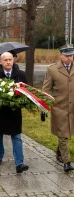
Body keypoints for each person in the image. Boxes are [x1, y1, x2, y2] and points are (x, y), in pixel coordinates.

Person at [0, 52, 28, 173]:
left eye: (10, 59)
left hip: (14, 112)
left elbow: (26, 92)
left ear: (14, 60)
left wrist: (18, 100)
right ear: (1, 61)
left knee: (16, 136)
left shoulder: (20, 75)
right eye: (5, 60)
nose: (8, 62)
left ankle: (19, 163)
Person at [42, 44, 74, 172]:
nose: (69, 58)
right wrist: (44, 108)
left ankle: (59, 151)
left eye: (71, 56)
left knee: (66, 134)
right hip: (59, 108)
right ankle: (67, 162)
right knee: (63, 135)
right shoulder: (52, 70)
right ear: (60, 55)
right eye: (66, 56)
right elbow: (46, 90)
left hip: (73, 108)